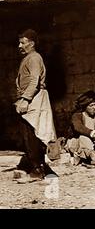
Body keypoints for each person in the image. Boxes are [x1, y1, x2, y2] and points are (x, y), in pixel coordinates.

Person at [14, 29, 57, 182]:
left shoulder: (34, 58)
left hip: (34, 100)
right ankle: (39, 167)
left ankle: (37, 170)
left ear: (31, 44)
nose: (19, 46)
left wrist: (25, 99)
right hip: (32, 99)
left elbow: (34, 81)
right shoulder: (29, 58)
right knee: (30, 134)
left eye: (23, 43)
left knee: (32, 134)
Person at [66, 91, 95, 168]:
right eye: (91, 105)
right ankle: (94, 158)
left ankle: (90, 160)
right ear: (85, 107)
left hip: (93, 144)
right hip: (77, 142)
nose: (94, 107)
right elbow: (79, 128)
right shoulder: (77, 116)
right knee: (84, 138)